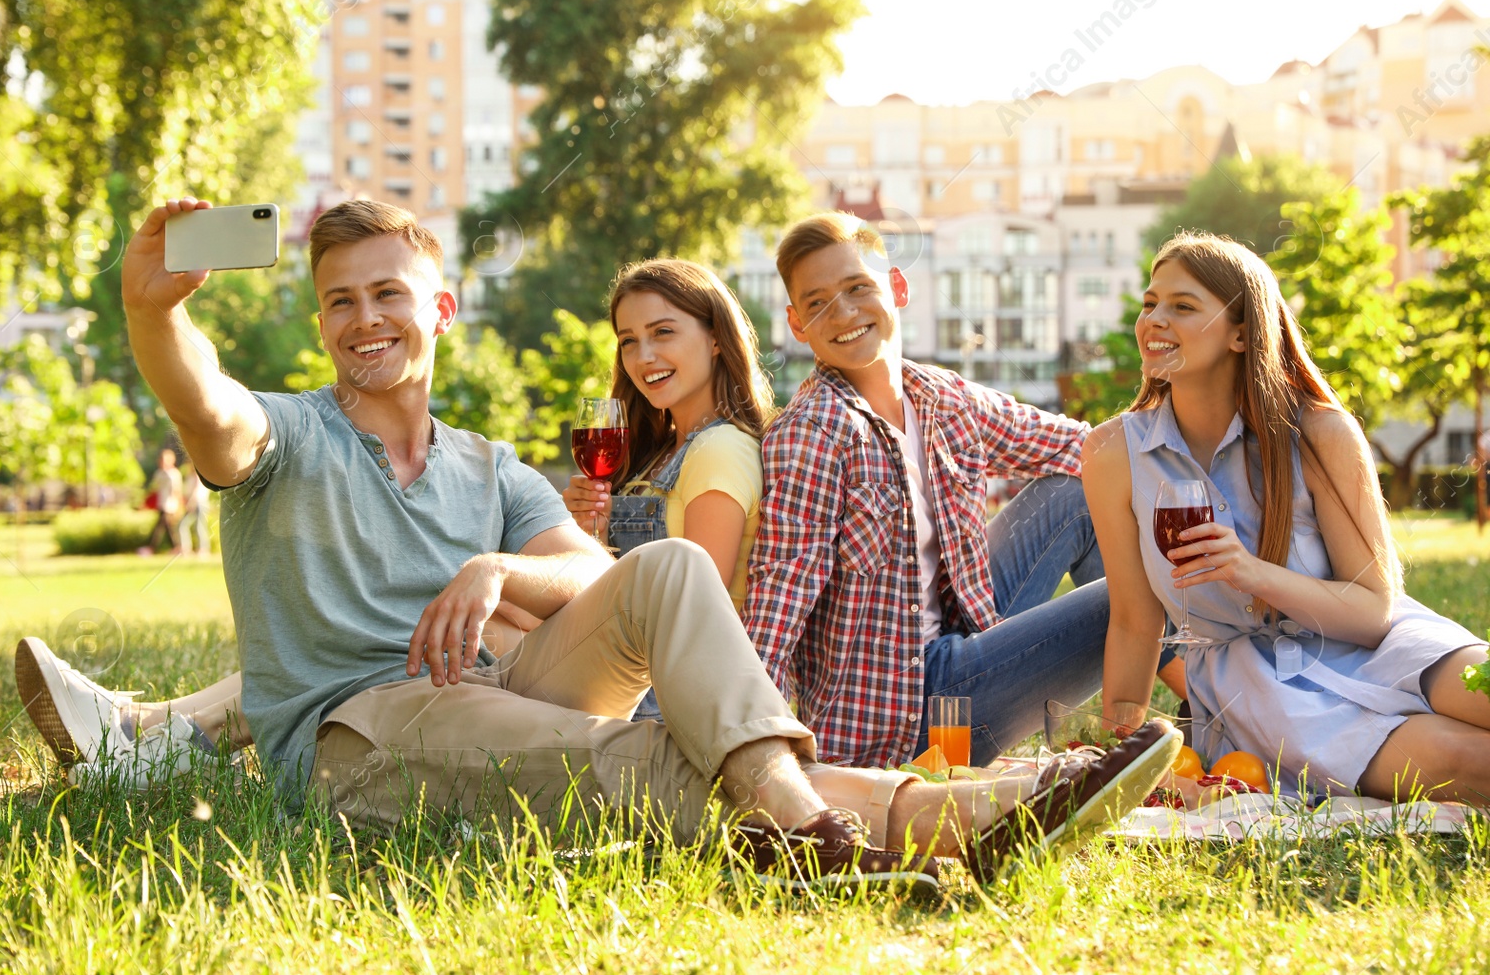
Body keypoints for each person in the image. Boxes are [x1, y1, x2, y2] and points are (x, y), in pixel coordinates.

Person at [14, 196, 1180, 890]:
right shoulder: (288, 438)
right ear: (320, 321)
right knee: (630, 767)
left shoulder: (486, 464)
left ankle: (824, 815)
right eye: (339, 303)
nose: (364, 319)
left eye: (388, 294)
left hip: (486, 681)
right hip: (359, 729)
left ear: (439, 311)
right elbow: (207, 409)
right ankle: (938, 815)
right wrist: (153, 315)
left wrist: (499, 568)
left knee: (666, 569)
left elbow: (598, 572)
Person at [744, 212, 1185, 771]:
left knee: (1078, 490)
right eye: (818, 303)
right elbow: (778, 607)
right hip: (912, 714)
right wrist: (761, 760)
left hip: (965, 643)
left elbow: (1087, 447)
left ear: (898, 287)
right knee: (1130, 592)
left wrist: (1213, 471)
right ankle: (1161, 737)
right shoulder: (813, 433)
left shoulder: (937, 395)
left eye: (858, 288)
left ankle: (1198, 695)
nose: (845, 313)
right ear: (797, 324)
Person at [1084, 232, 1490, 803]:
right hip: (1257, 692)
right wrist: (1115, 762)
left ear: (1243, 334)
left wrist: (1250, 572)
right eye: (1150, 303)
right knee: (1473, 762)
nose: (1154, 319)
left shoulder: (1320, 433)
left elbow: (1374, 612)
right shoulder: (1111, 455)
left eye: (1182, 305)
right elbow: (1132, 622)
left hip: (1381, 646)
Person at [562, 259, 772, 721]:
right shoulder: (655, 455)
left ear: (716, 337)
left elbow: (697, 611)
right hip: (627, 673)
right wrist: (590, 530)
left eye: (663, 332)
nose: (643, 357)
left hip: (664, 700)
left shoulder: (720, 449)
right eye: (629, 342)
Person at [143, 448, 183, 554]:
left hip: (170, 504)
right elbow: (154, 488)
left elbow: (177, 490)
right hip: (161, 503)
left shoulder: (174, 474)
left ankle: (152, 548)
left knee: (160, 527)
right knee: (167, 527)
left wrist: (178, 505)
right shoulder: (159, 473)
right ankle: (176, 547)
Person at [175, 462, 210, 557]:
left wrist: (191, 502)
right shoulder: (189, 477)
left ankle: (203, 549)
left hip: (199, 503)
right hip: (191, 503)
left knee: (199, 526)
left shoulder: (199, 476)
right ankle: (185, 548)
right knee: (182, 525)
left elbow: (196, 490)